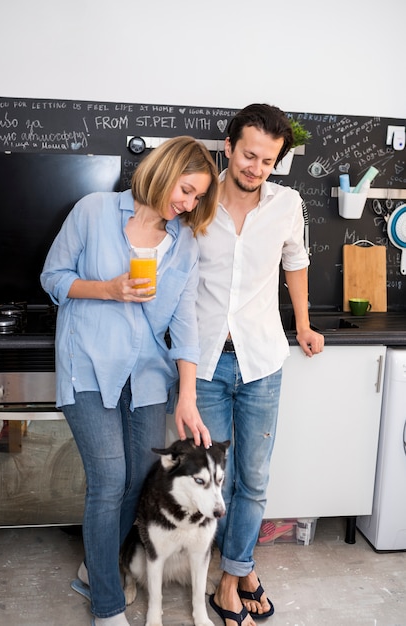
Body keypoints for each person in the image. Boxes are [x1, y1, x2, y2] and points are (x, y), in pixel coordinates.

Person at [40, 136, 219, 626]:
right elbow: (53, 277)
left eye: (198, 197)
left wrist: (187, 395)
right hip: (88, 366)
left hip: (145, 375)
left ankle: (94, 567)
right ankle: (107, 607)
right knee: (109, 480)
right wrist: (109, 289)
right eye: (186, 190)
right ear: (163, 172)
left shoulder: (185, 242)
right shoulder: (94, 211)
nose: (188, 203)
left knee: (137, 480)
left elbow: (184, 324)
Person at [195, 104, 325, 626]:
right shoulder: (197, 199)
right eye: (249, 155)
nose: (256, 167)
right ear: (228, 148)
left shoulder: (287, 203)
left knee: (253, 477)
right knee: (213, 480)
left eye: (268, 160)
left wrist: (305, 325)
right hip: (202, 362)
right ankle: (243, 568)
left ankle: (231, 578)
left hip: (262, 359)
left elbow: (295, 261)